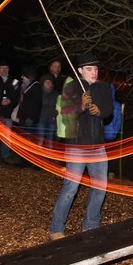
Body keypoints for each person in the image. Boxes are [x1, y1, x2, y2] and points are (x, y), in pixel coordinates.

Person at [49, 52, 113, 240]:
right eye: (89, 69)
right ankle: (56, 229)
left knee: (100, 188)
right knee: (70, 188)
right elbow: (64, 113)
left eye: (96, 69)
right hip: (77, 146)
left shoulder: (102, 88)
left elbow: (109, 110)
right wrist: (81, 106)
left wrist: (99, 111)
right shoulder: (71, 86)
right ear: (80, 70)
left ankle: (91, 225)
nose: (94, 72)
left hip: (98, 147)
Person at [38, 74, 59, 147]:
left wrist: (55, 115)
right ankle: (39, 154)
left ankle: (49, 154)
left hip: (51, 119)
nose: (48, 84)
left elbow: (58, 106)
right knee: (40, 138)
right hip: (41, 118)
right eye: (46, 82)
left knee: (49, 140)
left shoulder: (55, 94)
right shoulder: (39, 93)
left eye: (49, 82)